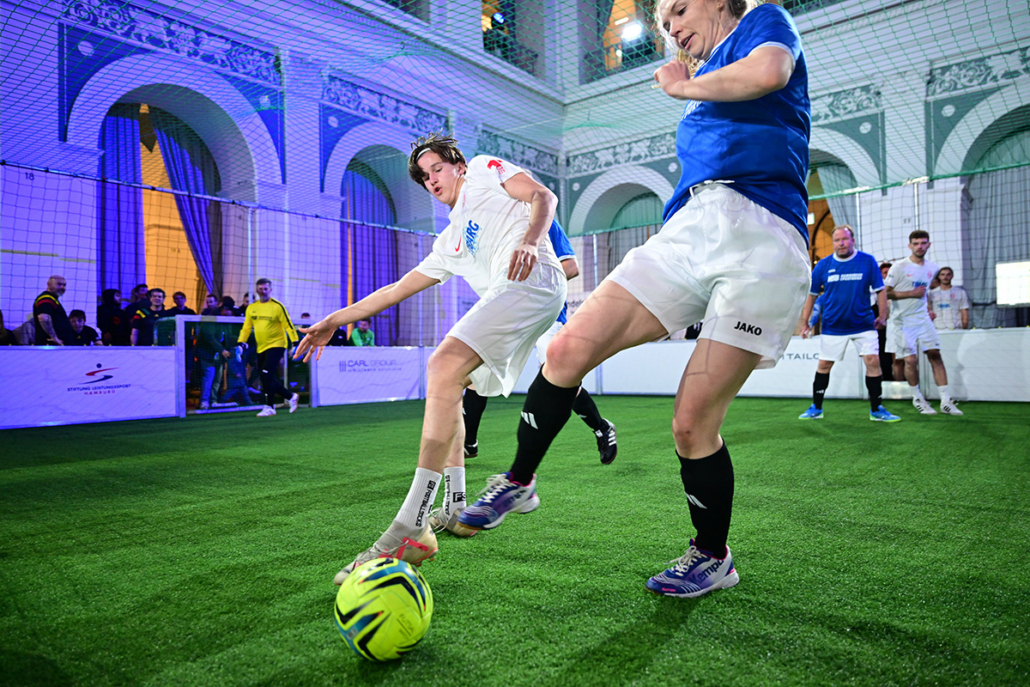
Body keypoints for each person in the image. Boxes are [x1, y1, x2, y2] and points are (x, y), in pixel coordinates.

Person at [458, 0, 812, 600]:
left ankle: (712, 555)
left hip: (765, 235)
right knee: (566, 350)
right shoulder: (702, 78)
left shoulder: (762, 23)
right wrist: (690, 85)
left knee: (692, 424)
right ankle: (518, 481)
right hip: (688, 227)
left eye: (679, 10)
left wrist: (682, 87)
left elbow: (770, 72)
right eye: (664, 22)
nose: (671, 27)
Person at [295, 133, 567, 584]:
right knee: (451, 381)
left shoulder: (483, 171)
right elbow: (395, 290)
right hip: (511, 294)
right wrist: (333, 320)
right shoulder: (450, 241)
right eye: (424, 177)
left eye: (436, 168)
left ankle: (410, 526)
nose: (431, 179)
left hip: (532, 278)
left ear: (458, 166)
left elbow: (543, 195)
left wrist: (530, 241)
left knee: (441, 364)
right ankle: (456, 507)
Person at [461, 219, 617, 464]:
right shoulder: (499, 227)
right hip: (513, 316)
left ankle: (602, 428)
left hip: (546, 313)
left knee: (559, 377)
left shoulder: (545, 223)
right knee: (479, 372)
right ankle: (468, 443)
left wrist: (532, 287)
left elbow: (571, 267)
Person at [797, 226, 899, 422]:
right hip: (833, 326)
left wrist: (883, 316)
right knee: (824, 365)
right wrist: (806, 322)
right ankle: (816, 407)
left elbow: (880, 290)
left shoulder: (867, 261)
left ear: (852, 240)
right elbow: (811, 295)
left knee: (873, 361)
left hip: (864, 324)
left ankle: (876, 409)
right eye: (837, 240)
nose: (841, 243)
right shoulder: (823, 265)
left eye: (844, 239)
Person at [885, 231, 963, 415]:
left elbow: (925, 291)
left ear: (929, 245)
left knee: (935, 354)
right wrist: (911, 294)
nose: (919, 246)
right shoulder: (899, 267)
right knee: (910, 360)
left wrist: (928, 308)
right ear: (909, 246)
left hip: (922, 319)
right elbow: (885, 292)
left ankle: (945, 401)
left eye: (923, 243)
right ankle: (917, 398)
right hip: (901, 321)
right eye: (916, 243)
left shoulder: (932, 268)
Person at [236, 278, 300, 417]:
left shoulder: (277, 306)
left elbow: (288, 325)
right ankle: (290, 396)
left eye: (266, 289)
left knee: (265, 374)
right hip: (261, 347)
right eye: (260, 289)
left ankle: (269, 406)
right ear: (257, 290)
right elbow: (246, 328)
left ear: (270, 290)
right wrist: (241, 343)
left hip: (277, 344)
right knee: (266, 376)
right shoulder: (252, 308)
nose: (263, 291)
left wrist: (295, 343)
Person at [33, 275, 74, 346]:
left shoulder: (53, 299)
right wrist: (54, 338)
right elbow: (43, 318)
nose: (62, 287)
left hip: (55, 345)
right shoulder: (46, 297)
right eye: (59, 284)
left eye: (64, 285)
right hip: (50, 346)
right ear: (49, 284)